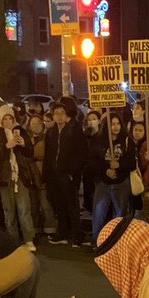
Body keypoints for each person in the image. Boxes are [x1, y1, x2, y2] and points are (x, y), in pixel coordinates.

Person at [43, 99, 87, 246]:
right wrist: (47, 175)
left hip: (68, 175)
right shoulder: (50, 133)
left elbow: (81, 154)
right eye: (56, 113)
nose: (59, 116)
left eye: (62, 113)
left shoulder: (74, 130)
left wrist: (72, 172)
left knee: (72, 205)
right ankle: (62, 233)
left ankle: (77, 235)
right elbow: (48, 155)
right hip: (54, 175)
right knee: (59, 205)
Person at [0, 105, 35, 251]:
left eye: (10, 118)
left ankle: (29, 239)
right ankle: (13, 241)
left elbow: (30, 152)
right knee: (9, 210)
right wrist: (6, 147)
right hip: (5, 176)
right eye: (5, 119)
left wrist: (23, 144)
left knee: (24, 208)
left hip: (20, 175)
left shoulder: (20, 131)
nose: (8, 121)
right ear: (1, 120)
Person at [89, 112, 134, 244]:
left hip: (121, 182)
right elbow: (92, 161)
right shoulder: (98, 140)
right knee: (99, 212)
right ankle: (97, 242)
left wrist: (119, 165)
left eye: (118, 123)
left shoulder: (126, 140)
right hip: (104, 182)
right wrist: (106, 170)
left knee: (119, 215)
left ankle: (117, 242)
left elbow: (132, 162)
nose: (115, 127)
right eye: (112, 124)